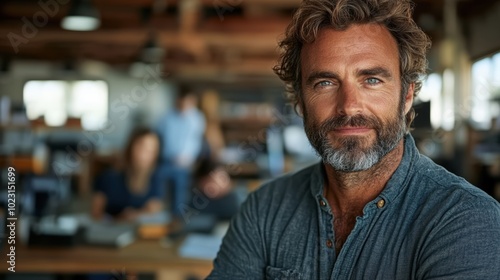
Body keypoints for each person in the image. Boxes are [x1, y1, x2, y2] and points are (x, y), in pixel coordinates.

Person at [208, 0, 500, 279]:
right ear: (300, 100)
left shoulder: (467, 220)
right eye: (325, 82)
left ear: (407, 96)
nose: (349, 105)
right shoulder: (264, 210)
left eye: (372, 80)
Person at [91, 127, 164, 221]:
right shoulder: (108, 178)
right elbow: (96, 215)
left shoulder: (156, 180)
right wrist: (119, 219)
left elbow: (154, 211)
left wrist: (135, 215)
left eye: (152, 150)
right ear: (130, 148)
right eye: (142, 147)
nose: (145, 154)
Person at [156, 85, 206, 217]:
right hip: (166, 160)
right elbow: (158, 138)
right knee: (158, 189)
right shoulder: (167, 117)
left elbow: (195, 141)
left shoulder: (197, 119)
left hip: (185, 163)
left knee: (180, 193)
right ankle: (158, 218)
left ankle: (177, 220)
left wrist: (188, 158)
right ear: (178, 100)